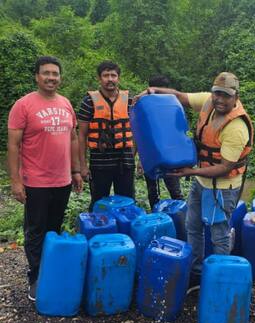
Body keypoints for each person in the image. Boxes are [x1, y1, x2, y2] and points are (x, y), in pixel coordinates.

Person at [136, 72, 253, 288]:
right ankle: (197, 273)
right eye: (217, 93)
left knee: (219, 234)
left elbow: (224, 167)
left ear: (235, 97)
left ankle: (220, 277)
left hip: (222, 187)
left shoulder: (236, 127)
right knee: (193, 225)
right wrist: (153, 91)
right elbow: (179, 96)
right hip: (201, 182)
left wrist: (190, 172)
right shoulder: (209, 102)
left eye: (226, 96)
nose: (220, 99)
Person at [6, 56, 83, 300]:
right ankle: (36, 277)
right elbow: (13, 145)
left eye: (55, 73)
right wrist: (16, 181)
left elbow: (72, 139)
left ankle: (50, 272)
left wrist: (76, 170)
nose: (51, 77)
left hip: (62, 180)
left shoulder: (66, 103)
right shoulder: (23, 105)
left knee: (54, 228)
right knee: (36, 230)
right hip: (35, 180)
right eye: (46, 73)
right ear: (37, 76)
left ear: (60, 77)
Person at [77, 61, 136, 209]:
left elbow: (136, 131)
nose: (110, 79)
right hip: (99, 163)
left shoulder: (129, 101)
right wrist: (83, 166)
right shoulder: (88, 102)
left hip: (125, 162)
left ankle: (124, 231)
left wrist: (135, 155)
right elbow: (82, 135)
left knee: (127, 204)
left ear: (119, 78)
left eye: (113, 75)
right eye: (106, 75)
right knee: (98, 204)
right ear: (99, 78)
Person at [141, 75, 184, 210]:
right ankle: (156, 217)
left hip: (168, 157)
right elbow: (140, 134)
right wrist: (138, 159)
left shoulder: (173, 106)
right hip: (151, 156)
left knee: (175, 191)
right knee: (153, 191)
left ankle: (181, 216)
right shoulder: (144, 107)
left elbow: (179, 132)